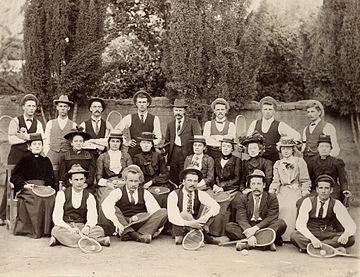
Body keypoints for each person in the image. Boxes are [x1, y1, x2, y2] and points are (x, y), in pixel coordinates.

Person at [0, 94, 44, 226]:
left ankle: (26, 216)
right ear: (23, 107)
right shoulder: (15, 121)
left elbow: (41, 139)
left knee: (29, 183)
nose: (31, 108)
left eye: (33, 106)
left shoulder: (38, 123)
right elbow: (12, 140)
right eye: (28, 106)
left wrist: (24, 136)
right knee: (11, 183)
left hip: (30, 157)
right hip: (16, 156)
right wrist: (30, 137)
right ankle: (2, 215)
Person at [102, 165, 167, 243]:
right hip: (124, 222)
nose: (133, 184)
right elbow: (106, 205)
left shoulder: (145, 193)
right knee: (113, 209)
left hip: (140, 222)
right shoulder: (118, 192)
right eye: (131, 181)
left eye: (136, 181)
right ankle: (137, 236)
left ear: (139, 181)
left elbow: (155, 211)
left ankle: (129, 234)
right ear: (125, 180)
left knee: (163, 212)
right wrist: (116, 222)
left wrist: (155, 228)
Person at [290, 175, 356, 253]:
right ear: (317, 190)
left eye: (327, 188)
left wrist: (346, 234)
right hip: (311, 232)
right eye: (321, 188)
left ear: (331, 190)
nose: (323, 191)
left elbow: (351, 224)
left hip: (327, 233)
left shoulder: (336, 203)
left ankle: (310, 248)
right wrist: (312, 238)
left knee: (351, 238)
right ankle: (330, 248)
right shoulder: (308, 201)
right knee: (294, 236)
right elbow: (300, 224)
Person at [50, 164, 110, 248]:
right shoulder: (62, 194)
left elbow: (92, 216)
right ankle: (97, 241)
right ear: (70, 181)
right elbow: (57, 218)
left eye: (81, 179)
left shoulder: (89, 196)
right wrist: (69, 228)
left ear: (85, 180)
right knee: (56, 230)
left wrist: (87, 227)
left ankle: (62, 240)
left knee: (99, 230)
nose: (79, 182)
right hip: (66, 226)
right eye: (76, 180)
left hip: (82, 226)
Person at [226, 169, 287, 251]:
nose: (256, 187)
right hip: (248, 226)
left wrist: (255, 229)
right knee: (229, 227)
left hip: (265, 226)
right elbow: (241, 218)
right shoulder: (243, 198)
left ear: (264, 185)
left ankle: (247, 245)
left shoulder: (272, 197)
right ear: (250, 185)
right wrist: (250, 234)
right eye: (253, 184)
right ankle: (265, 243)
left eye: (259, 184)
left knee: (281, 224)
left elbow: (271, 218)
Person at [10, 133, 56, 238]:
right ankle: (33, 230)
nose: (37, 146)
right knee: (35, 198)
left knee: (51, 197)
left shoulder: (46, 161)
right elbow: (14, 176)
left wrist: (49, 185)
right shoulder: (24, 160)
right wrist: (24, 185)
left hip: (43, 188)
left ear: (42, 146)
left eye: (39, 144)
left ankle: (46, 230)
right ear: (29, 147)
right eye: (34, 144)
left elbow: (50, 177)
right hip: (29, 188)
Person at [269, 137, 311, 241]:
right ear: (280, 150)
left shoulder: (299, 161)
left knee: (293, 207)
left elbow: (305, 179)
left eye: (288, 148)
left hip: (296, 189)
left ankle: (292, 236)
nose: (286, 151)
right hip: (283, 190)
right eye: (283, 149)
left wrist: (305, 190)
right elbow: (276, 180)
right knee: (279, 206)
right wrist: (273, 190)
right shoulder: (278, 163)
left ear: (293, 149)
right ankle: (279, 235)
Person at [167, 168, 220, 245]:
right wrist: (190, 223)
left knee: (211, 210)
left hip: (197, 223)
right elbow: (173, 217)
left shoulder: (200, 193)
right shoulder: (174, 195)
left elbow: (216, 206)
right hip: (181, 225)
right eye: (189, 180)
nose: (193, 184)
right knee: (184, 215)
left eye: (195, 181)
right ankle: (202, 237)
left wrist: (204, 218)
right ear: (183, 181)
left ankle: (196, 236)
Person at [247, 96, 300, 163]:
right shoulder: (254, 123)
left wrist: (283, 143)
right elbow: (248, 140)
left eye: (270, 109)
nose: (268, 112)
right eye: (265, 109)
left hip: (273, 160)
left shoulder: (280, 125)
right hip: (257, 160)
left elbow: (297, 135)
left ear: (274, 111)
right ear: (261, 110)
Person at [164, 98, 202, 186]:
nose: (178, 112)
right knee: (173, 177)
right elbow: (167, 141)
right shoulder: (170, 124)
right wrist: (163, 151)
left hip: (187, 153)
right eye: (176, 110)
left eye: (180, 110)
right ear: (173, 111)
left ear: (184, 111)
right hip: (173, 154)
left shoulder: (192, 122)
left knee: (185, 174)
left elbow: (198, 139)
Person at [115, 90, 162, 158]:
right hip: (134, 152)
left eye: (144, 102)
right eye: (139, 102)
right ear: (136, 104)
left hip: (149, 153)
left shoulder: (155, 118)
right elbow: (117, 131)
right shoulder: (129, 117)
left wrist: (149, 145)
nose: (142, 104)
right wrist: (125, 142)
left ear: (148, 103)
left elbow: (159, 137)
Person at [211, 136, 241, 238]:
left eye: (228, 146)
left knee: (224, 203)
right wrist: (214, 185)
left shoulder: (237, 160)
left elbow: (237, 178)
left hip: (232, 188)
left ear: (232, 149)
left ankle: (220, 232)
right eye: (224, 146)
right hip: (218, 187)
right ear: (221, 147)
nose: (226, 148)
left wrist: (223, 187)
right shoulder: (217, 160)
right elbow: (214, 176)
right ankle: (210, 230)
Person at [307, 134, 350, 202]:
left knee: (332, 202)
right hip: (318, 189)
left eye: (327, 146)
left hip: (333, 190)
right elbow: (309, 178)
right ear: (318, 148)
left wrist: (345, 189)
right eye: (321, 146)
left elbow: (343, 179)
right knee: (305, 202)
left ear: (330, 149)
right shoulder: (312, 162)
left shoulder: (336, 162)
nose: (324, 149)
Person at [133, 132, 170, 208]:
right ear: (140, 144)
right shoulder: (136, 158)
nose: (146, 145)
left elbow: (165, 174)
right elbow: (134, 175)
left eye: (148, 143)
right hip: (142, 185)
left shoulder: (158, 156)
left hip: (157, 183)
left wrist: (152, 181)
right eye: (143, 142)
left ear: (152, 144)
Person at [96, 129, 132, 203]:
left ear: (121, 143)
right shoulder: (102, 157)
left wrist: (123, 182)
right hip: (108, 184)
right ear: (109, 142)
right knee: (105, 200)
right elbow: (98, 176)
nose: (115, 144)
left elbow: (131, 173)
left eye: (117, 141)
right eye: (112, 141)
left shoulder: (126, 156)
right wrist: (108, 183)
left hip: (124, 183)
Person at [302, 100, 340, 167]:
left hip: (320, 163)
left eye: (312, 111)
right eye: (308, 112)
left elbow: (335, 147)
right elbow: (304, 146)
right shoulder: (306, 129)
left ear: (319, 112)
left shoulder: (327, 127)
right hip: (307, 162)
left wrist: (326, 161)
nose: (310, 114)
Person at [58, 127, 96, 194]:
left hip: (85, 185)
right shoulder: (65, 156)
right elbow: (62, 175)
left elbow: (91, 174)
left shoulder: (89, 156)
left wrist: (86, 184)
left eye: (80, 141)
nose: (78, 143)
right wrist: (70, 185)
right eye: (76, 141)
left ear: (83, 142)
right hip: (70, 185)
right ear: (71, 143)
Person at [44, 95, 77, 167]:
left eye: (65, 106)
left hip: (67, 156)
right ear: (57, 107)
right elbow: (46, 140)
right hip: (52, 155)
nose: (63, 108)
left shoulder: (73, 125)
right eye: (61, 106)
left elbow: (75, 143)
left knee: (65, 175)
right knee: (52, 175)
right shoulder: (50, 123)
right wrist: (47, 153)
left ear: (68, 108)